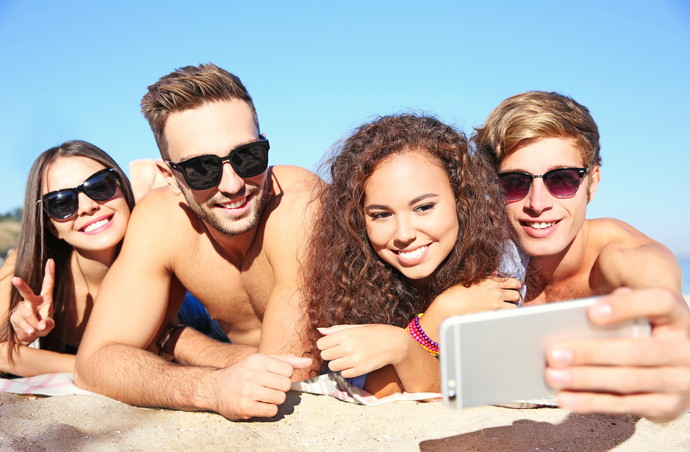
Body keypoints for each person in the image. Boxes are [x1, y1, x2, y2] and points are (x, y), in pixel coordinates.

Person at [74, 63, 319, 420]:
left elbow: (290, 374)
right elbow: (92, 364)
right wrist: (210, 389)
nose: (233, 185)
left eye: (248, 157)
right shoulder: (161, 220)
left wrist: (182, 342)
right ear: (170, 177)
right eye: (202, 168)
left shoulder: (297, 205)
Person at [473, 90, 690, 423]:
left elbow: (656, 290)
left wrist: (669, 327)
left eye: (561, 179)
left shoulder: (617, 254)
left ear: (593, 182)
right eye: (515, 182)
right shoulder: (480, 257)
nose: (537, 202)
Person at [304, 114, 523, 397]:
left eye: (423, 208)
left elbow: (461, 389)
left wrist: (405, 346)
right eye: (381, 215)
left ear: (461, 200)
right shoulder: (353, 278)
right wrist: (435, 319)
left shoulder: (496, 266)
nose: (404, 234)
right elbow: (375, 394)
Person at [0, 140, 135, 376]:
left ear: (122, 187)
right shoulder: (28, 267)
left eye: (100, 185)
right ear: (52, 229)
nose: (86, 207)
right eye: (61, 202)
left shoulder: (159, 245)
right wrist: (20, 337)